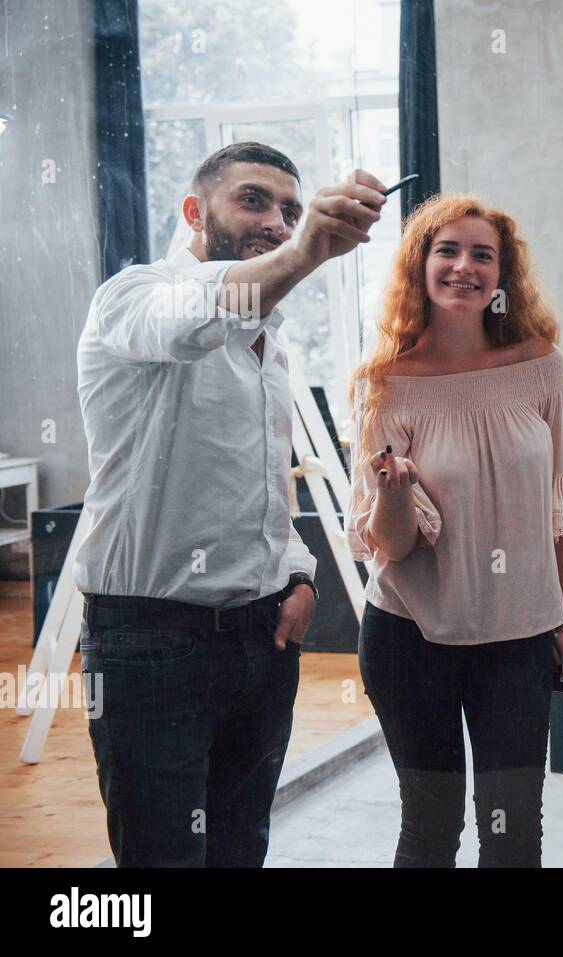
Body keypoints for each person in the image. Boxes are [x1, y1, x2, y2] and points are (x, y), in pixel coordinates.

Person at [75, 142, 388, 866]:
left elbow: (257, 482)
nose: (277, 220)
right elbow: (192, 318)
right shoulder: (133, 297)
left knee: (240, 848)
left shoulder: (271, 347)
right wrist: (306, 252)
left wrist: (301, 572)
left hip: (262, 641)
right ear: (194, 211)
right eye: (253, 200)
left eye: (289, 208)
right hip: (151, 643)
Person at [346, 193, 563, 868]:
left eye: (482, 254)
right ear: (419, 266)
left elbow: (561, 505)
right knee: (431, 829)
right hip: (411, 637)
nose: (464, 266)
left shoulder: (539, 364)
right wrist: (393, 494)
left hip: (517, 637)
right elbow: (390, 548)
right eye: (446, 250)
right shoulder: (387, 383)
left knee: (513, 836)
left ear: (502, 274)